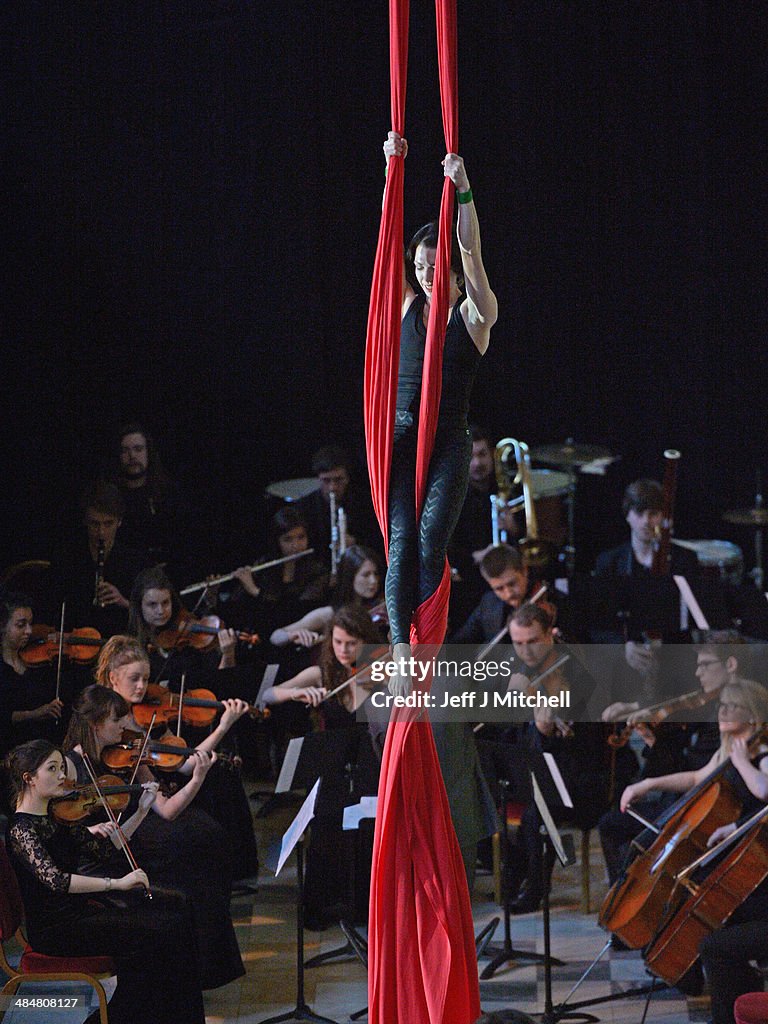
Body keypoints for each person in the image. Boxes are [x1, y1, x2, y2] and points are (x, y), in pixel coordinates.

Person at [382, 131, 498, 695]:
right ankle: (402, 651)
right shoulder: (405, 303)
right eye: (422, 269)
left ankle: (425, 647)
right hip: (400, 436)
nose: (428, 278)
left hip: (449, 438)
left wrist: (465, 192)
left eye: (437, 269)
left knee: (431, 542)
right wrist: (392, 170)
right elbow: (388, 246)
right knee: (400, 539)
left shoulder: (474, 316)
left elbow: (471, 253)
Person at [4, 738, 206, 1024]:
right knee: (161, 932)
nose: (63, 775)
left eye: (62, 767)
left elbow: (105, 849)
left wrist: (141, 811)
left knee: (177, 912)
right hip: (57, 929)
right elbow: (57, 881)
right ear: (29, 779)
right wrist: (117, 883)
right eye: (53, 769)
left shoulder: (56, 816)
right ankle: (129, 1015)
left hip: (82, 913)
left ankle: (169, 1015)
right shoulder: (21, 829)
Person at [61, 682, 245, 990]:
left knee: (201, 860)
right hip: (106, 861)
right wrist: (88, 829)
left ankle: (206, 971)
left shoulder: (129, 754)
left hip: (128, 841)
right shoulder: (70, 765)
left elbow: (167, 809)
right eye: (116, 720)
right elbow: (59, 824)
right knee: (186, 867)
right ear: (94, 724)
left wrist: (197, 777)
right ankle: (180, 978)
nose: (125, 725)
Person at [95, 633, 259, 884]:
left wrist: (223, 726)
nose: (142, 687)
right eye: (134, 679)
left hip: (159, 795)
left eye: (146, 679)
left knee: (217, 815)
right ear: (112, 678)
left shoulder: (154, 717)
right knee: (202, 833)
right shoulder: (106, 721)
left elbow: (185, 764)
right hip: (131, 807)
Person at [263, 606, 383, 929]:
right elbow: (268, 694)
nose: (343, 650)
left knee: (366, 832)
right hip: (331, 766)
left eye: (352, 644)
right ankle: (329, 905)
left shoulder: (380, 672)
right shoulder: (323, 673)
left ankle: (364, 908)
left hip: (370, 766)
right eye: (338, 642)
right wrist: (297, 692)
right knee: (327, 828)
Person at [52, 481, 150, 640]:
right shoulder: (68, 557)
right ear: (85, 521)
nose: (101, 533)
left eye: (108, 524)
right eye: (95, 524)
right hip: (76, 644)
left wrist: (122, 601)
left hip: (120, 641)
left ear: (119, 522)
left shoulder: (135, 561)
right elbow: (54, 605)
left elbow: (151, 614)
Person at [111, 421, 193, 584]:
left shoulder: (169, 494)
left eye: (138, 449)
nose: (132, 456)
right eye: (125, 451)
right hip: (125, 579)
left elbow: (184, 542)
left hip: (168, 579)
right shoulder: (112, 497)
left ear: (148, 452)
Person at [269, 545, 385, 648]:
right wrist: (292, 635)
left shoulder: (382, 607)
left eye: (376, 574)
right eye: (366, 575)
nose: (373, 581)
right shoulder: (330, 613)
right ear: (349, 577)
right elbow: (276, 636)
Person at [0, 593, 67, 759]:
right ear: (2, 626)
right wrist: (35, 714)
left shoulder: (39, 663)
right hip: (8, 748)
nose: (29, 631)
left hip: (41, 747)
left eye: (30, 624)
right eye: (21, 625)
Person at [294, 445, 380, 570]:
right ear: (318, 479)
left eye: (338, 480)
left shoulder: (365, 503)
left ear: (347, 478)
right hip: (319, 572)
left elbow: (377, 542)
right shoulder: (305, 507)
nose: (332, 487)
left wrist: (355, 542)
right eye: (326, 480)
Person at [450, 544, 532, 645]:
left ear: (525, 571)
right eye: (499, 588)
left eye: (512, 584)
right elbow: (460, 641)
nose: (508, 594)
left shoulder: (550, 600)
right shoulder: (489, 602)